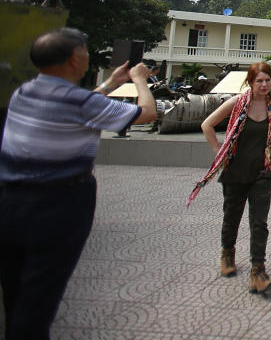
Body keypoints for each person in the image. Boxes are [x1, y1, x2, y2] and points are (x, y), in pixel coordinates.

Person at [0, 27, 157, 340]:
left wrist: (111, 83)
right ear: (75, 58)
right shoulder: (79, 103)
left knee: (14, 288)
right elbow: (148, 112)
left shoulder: (25, 92)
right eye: (83, 50)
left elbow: (81, 105)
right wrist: (140, 80)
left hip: (10, 202)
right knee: (40, 296)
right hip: (57, 205)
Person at [188, 62, 271, 295]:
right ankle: (227, 253)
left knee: (259, 223)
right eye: (259, 81)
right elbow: (207, 125)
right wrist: (218, 151)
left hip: (262, 171)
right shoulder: (238, 103)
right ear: (250, 83)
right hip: (235, 171)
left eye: (267, 81)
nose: (264, 85)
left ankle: (258, 271)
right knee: (232, 217)